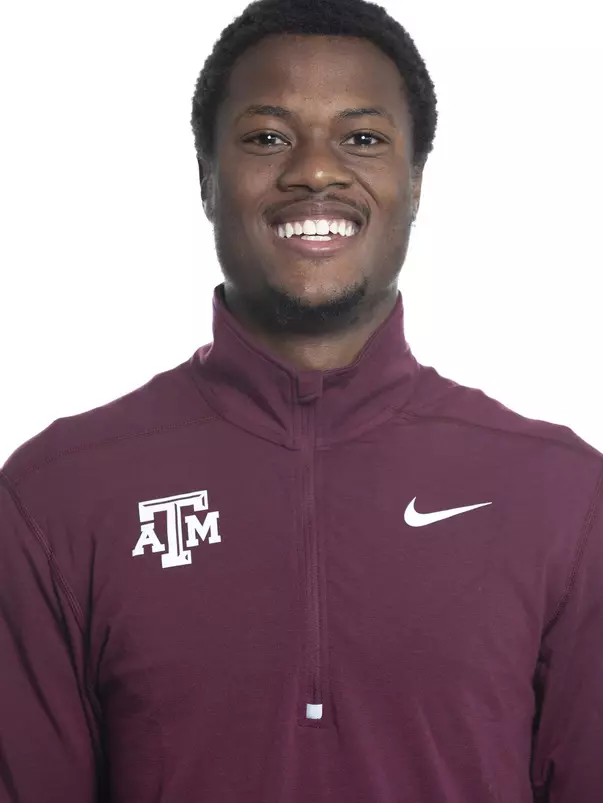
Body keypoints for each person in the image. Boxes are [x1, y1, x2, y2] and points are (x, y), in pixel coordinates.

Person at [1, 0, 602, 800]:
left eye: (361, 138)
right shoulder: (58, 494)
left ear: (414, 180)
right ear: (206, 178)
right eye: (266, 138)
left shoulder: (561, 492)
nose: (314, 170)